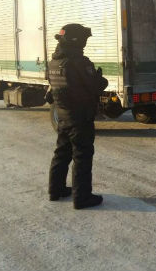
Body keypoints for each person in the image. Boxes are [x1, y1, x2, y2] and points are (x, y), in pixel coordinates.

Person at [47, 23, 108, 209]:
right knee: (82, 156)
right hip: (81, 116)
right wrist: (100, 78)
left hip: (63, 116)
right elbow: (96, 86)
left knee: (61, 153)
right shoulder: (79, 62)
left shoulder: (53, 62)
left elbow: (53, 91)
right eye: (84, 39)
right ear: (77, 41)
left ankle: (55, 190)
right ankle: (82, 198)